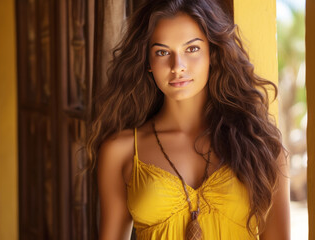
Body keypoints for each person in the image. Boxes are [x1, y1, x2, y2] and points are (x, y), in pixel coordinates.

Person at [86, 0, 290, 239]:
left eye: (191, 49)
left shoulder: (262, 146)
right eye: (162, 52)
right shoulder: (121, 150)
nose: (177, 66)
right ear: (147, 62)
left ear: (213, 53)